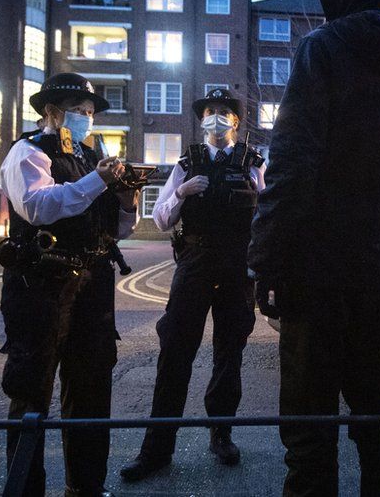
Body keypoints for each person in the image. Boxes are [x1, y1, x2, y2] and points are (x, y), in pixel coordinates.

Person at [247, 0, 380, 496]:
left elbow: (293, 161)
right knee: (379, 409)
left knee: (310, 417)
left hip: (318, 261)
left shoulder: (323, 48)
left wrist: (266, 258)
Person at [0, 72, 139, 497]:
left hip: (93, 287)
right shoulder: (29, 151)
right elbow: (39, 206)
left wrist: (126, 199)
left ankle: (86, 488)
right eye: (79, 110)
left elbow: (119, 230)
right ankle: (26, 490)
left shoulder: (90, 156)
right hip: (40, 285)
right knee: (31, 392)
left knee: (92, 392)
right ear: (52, 111)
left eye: (91, 112)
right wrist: (99, 180)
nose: (86, 119)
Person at [120, 88, 265, 482]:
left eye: (223, 112)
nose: (215, 117)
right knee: (175, 352)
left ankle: (221, 434)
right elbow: (162, 218)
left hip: (237, 266)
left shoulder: (252, 163)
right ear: (202, 120)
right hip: (195, 263)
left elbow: (268, 215)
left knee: (229, 352)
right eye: (209, 112)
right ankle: (157, 449)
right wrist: (181, 192)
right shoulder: (188, 162)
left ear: (235, 121)